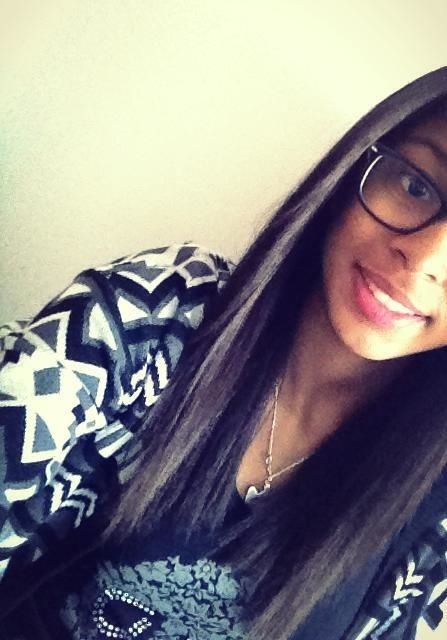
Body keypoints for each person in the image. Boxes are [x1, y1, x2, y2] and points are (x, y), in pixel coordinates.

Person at [1, 67, 447, 640]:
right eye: (416, 186)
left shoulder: (434, 510)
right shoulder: (156, 312)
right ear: (357, 167)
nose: (425, 259)